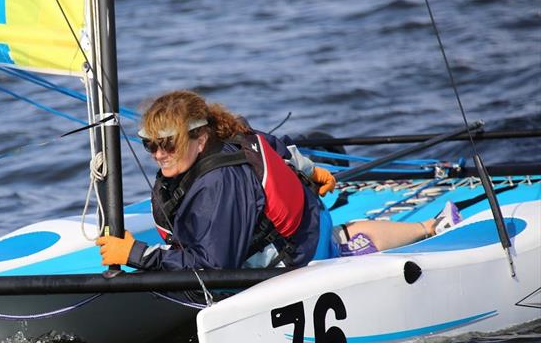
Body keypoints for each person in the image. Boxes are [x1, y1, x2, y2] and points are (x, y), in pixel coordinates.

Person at [96, 90, 459, 271]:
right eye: (150, 145)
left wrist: (137, 256)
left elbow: (213, 267)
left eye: (167, 144)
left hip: (299, 254)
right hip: (309, 226)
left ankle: (432, 226)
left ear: (200, 139)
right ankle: (428, 224)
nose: (158, 154)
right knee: (340, 238)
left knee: (340, 245)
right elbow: (276, 146)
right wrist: (311, 170)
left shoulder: (216, 183)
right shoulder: (229, 134)